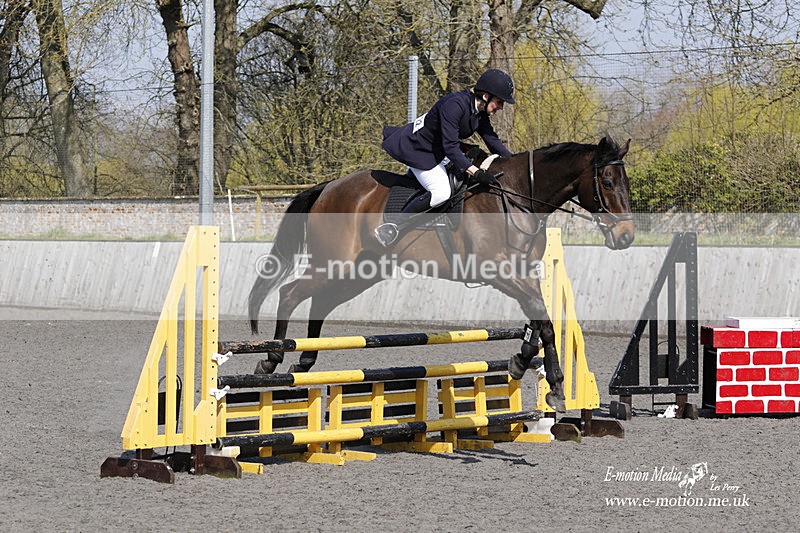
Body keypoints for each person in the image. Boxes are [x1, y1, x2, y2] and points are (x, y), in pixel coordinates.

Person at [375, 68, 516, 246]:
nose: (501, 107)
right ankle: (392, 227)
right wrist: (476, 173)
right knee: (441, 192)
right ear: (486, 96)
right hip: (419, 150)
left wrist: (513, 162)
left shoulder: (478, 111)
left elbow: (491, 139)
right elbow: (450, 147)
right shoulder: (454, 105)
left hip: (438, 150)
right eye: (499, 102)